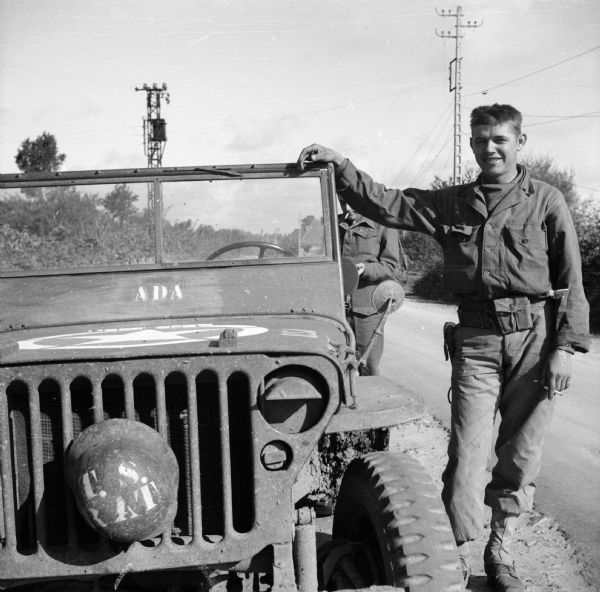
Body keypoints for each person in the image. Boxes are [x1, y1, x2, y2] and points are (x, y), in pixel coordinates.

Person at [297, 103, 590, 592]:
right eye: (480, 140)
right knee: (467, 458)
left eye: (499, 139)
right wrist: (339, 166)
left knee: (520, 455)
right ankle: (449, 558)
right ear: (472, 144)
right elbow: (386, 203)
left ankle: (501, 551)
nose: (489, 148)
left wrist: (566, 346)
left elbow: (570, 279)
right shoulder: (452, 204)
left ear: (520, 142)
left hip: (534, 342)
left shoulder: (546, 201)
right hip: (475, 342)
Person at [339, 197, 405, 375]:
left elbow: (390, 265)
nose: (347, 207)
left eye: (351, 202)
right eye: (343, 202)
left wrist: (365, 269)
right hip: (337, 309)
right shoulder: (336, 224)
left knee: (368, 366)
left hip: (366, 309)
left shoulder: (381, 224)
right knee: (337, 367)